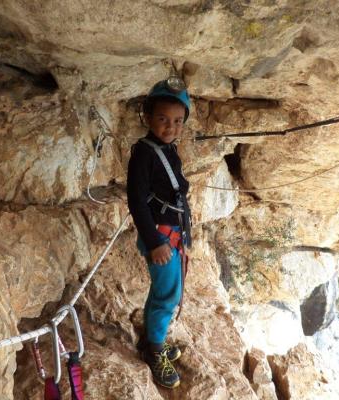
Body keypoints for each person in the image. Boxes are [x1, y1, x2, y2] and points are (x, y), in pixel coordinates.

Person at [127, 77, 192, 389]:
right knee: (168, 295)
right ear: (149, 118)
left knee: (165, 291)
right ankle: (154, 351)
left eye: (178, 121)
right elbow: (136, 201)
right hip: (159, 236)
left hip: (174, 233)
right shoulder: (144, 153)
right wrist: (154, 242)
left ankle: (152, 339)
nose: (171, 127)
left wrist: (187, 238)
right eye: (163, 119)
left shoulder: (170, 150)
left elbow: (178, 196)